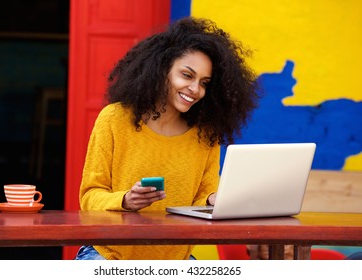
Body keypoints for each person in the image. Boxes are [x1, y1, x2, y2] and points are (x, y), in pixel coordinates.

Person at [75, 16, 260, 260]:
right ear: (161, 70)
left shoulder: (206, 135)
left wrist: (217, 200)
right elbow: (89, 196)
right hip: (110, 255)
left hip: (176, 260)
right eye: (186, 75)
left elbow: (203, 199)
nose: (195, 89)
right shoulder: (114, 119)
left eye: (204, 83)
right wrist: (125, 200)